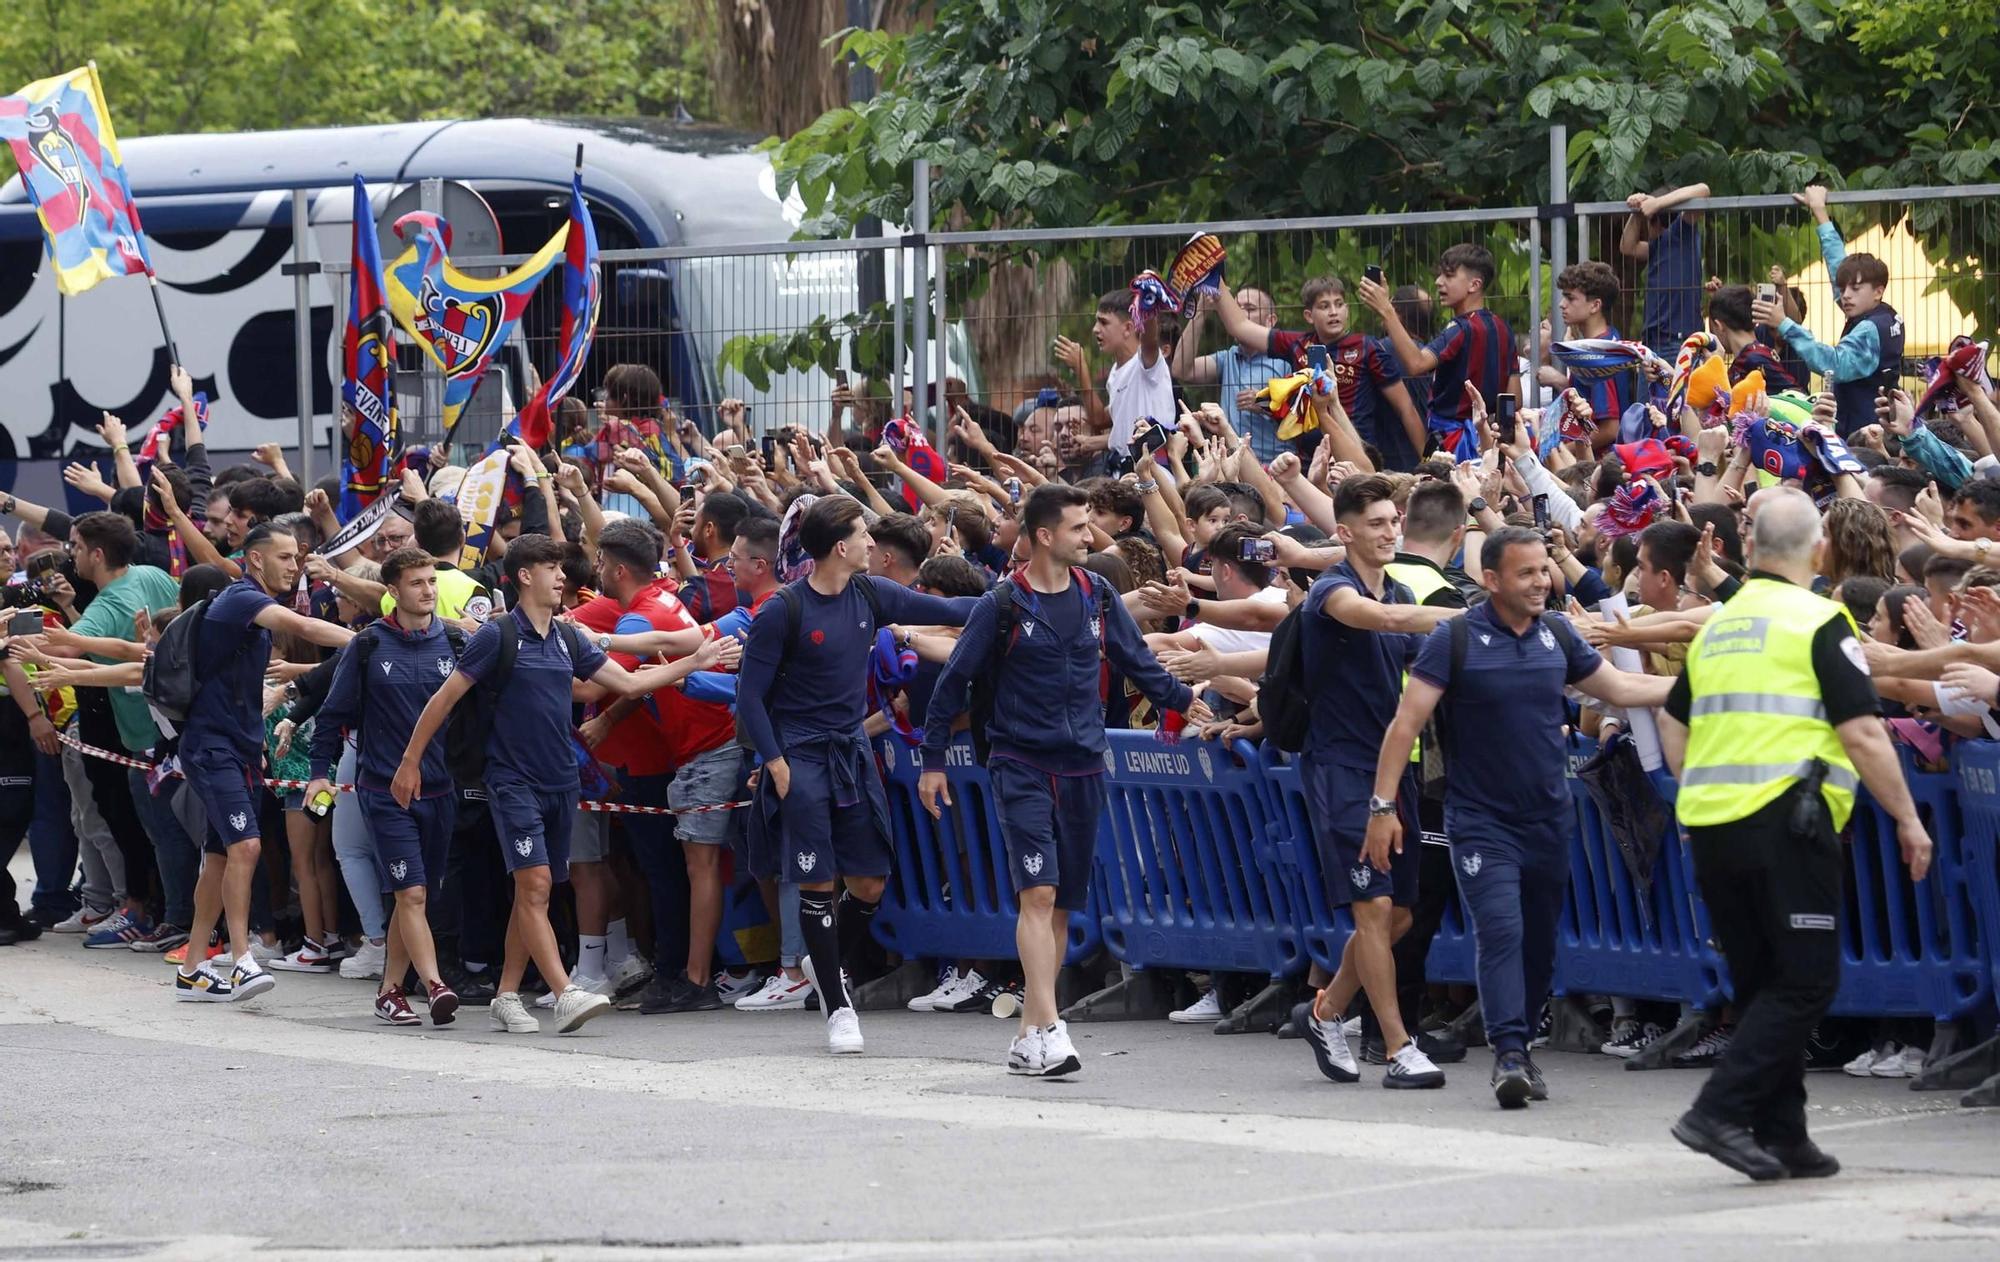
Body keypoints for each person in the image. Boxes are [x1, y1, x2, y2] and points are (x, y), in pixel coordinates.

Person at [1660, 487, 1933, 1181]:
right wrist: (1907, 818)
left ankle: (1784, 1135)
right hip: (1787, 821)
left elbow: (1675, 718)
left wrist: (1696, 788)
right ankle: (1718, 1111)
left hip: (1713, 824)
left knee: (1760, 983)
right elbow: (1864, 731)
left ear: (1749, 550)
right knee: (1807, 982)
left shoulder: (1719, 625)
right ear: (1819, 550)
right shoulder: (1820, 619)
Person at [1369, 527, 1674, 1109]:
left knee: (1538, 943)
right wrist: (1383, 808)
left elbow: (1620, 685)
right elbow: (1404, 725)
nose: (1541, 583)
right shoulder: (1453, 638)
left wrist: (1697, 685)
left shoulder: (1558, 634)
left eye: (1544, 571)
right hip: (1479, 820)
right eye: (1526, 573)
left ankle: (1523, 1046)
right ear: (1492, 580)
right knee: (1501, 930)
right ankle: (1509, 1053)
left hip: (1547, 821)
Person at [918, 483, 1208, 1076]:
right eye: (1079, 527)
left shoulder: (1098, 594)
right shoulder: (1001, 606)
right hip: (1020, 764)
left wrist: (1183, 699)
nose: (1089, 536)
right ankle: (1050, 1026)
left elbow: (1136, 661)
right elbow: (952, 686)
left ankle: (1029, 1034)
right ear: (1046, 536)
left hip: (1085, 765)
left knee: (1060, 908)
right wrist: (932, 761)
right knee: (1039, 894)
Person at [390, 534, 717, 1035]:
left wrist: (691, 664)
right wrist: (410, 762)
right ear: (525, 576)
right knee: (536, 884)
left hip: (561, 782)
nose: (563, 576)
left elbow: (625, 684)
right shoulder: (496, 635)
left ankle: (505, 995)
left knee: (535, 893)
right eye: (552, 568)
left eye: (562, 568)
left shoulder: (568, 639)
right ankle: (565, 992)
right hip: (511, 780)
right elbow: (444, 699)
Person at [736, 495, 978, 1054]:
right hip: (800, 755)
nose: (875, 542)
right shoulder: (783, 610)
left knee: (869, 882)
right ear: (840, 547)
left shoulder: (872, 592)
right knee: (817, 880)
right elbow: (749, 698)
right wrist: (775, 763)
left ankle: (820, 964)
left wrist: (1019, 596)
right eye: (864, 534)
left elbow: (952, 611)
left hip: (851, 753)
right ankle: (837, 1004)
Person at [1290, 475, 1461, 1091]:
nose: (1390, 532)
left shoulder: (1398, 585)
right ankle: (1398, 1047)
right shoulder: (1333, 592)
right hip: (1341, 769)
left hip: (1397, 770)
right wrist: (1477, 616)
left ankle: (1326, 1011)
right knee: (1375, 908)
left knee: (1401, 918)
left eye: (1395, 521)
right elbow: (1386, 617)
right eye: (1377, 523)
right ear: (1345, 533)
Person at [176, 523, 355, 1001]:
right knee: (248, 848)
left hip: (240, 748)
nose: (294, 566)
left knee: (218, 858)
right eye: (284, 557)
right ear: (256, 560)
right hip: (212, 746)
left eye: (297, 558)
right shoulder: (241, 597)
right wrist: (366, 639)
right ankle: (241, 960)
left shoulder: (249, 601)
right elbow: (304, 627)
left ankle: (193, 969)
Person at [306, 548, 464, 1027]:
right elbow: (332, 716)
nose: (428, 591)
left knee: (413, 895)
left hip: (440, 791)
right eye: (416, 583)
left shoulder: (455, 642)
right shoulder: (368, 645)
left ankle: (390, 990)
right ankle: (435, 985)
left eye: (431, 581)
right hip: (382, 790)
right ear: (392, 592)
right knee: (411, 894)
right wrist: (319, 773)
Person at [1213, 280, 1423, 468]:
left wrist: (1427, 463)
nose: (1334, 312)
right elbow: (1240, 327)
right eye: (1324, 306)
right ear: (1308, 315)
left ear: (1347, 310)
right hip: (1309, 460)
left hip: (1355, 456)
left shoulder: (1367, 347)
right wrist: (1216, 280)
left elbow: (1406, 408)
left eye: (1339, 304)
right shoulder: (1298, 344)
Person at [1754, 185, 1900, 438]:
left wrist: (1785, 323)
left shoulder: (1869, 329)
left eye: (1854, 288)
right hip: (1872, 429)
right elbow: (1838, 267)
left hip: (1867, 437)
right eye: (1843, 289)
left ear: (1878, 290)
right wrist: (1820, 213)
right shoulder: (1883, 314)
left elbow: (1832, 363)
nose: (1845, 295)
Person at [1361, 245, 1519, 461]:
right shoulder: (1503, 328)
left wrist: (1387, 311)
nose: (1438, 282)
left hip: (1453, 446)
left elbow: (1416, 364)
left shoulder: (1460, 329)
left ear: (1475, 284)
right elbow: (1515, 398)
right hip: (1492, 443)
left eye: (1449, 275)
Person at [1172, 287, 1290, 459]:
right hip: (1232, 463)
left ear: (1270, 321)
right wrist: (1201, 313)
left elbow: (1304, 412)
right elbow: (1181, 370)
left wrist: (1265, 403)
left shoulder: (1286, 359)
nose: (1239, 314)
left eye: (1249, 308)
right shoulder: (1228, 357)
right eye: (1235, 308)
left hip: (1277, 465)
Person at [1539, 261, 1640, 453]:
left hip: (1599, 463)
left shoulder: (1597, 354)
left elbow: (1610, 429)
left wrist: (1558, 452)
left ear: (1595, 305)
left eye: (1570, 298)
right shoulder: (1610, 338)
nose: (1562, 304)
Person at [1620, 182, 1712, 356]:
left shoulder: (1681, 232)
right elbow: (1627, 247)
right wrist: (1636, 212)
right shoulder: (1657, 246)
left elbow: (1703, 190)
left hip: (1676, 341)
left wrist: (1657, 203)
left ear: (1654, 220)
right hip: (1653, 341)